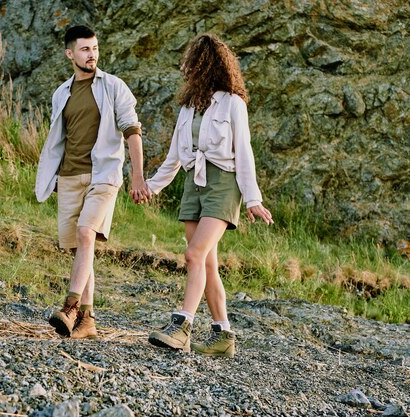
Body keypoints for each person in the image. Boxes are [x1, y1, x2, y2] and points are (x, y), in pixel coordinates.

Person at [144, 33, 273, 356]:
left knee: (194, 255)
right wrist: (151, 186)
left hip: (223, 184)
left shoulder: (232, 104)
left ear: (205, 65)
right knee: (207, 263)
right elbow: (174, 156)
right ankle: (223, 334)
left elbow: (244, 152)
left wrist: (253, 199)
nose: (184, 68)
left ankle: (182, 326)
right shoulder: (187, 107)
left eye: (190, 62)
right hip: (193, 183)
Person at [35, 25, 150, 339]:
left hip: (103, 175)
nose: (92, 54)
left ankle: (70, 307)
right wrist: (54, 176)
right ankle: (87, 321)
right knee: (80, 248)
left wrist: (137, 176)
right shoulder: (61, 93)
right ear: (70, 53)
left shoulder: (113, 86)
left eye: (95, 48)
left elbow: (132, 131)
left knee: (87, 233)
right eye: (85, 49)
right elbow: (59, 139)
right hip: (69, 177)